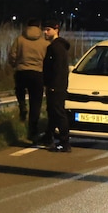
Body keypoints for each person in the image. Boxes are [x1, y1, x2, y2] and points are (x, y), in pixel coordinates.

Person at [7, 18, 49, 143]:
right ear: (39, 27)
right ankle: (32, 131)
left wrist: (15, 65)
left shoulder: (19, 40)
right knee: (36, 103)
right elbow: (48, 60)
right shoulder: (44, 43)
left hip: (22, 71)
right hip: (38, 74)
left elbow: (12, 55)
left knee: (19, 90)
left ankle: (22, 106)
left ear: (27, 26)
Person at [41, 19, 71, 152]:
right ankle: (48, 137)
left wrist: (53, 85)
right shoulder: (58, 46)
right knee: (53, 112)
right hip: (57, 85)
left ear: (56, 30)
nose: (45, 32)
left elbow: (58, 69)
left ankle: (65, 143)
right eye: (44, 29)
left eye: (48, 29)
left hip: (56, 86)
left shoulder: (56, 47)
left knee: (58, 113)